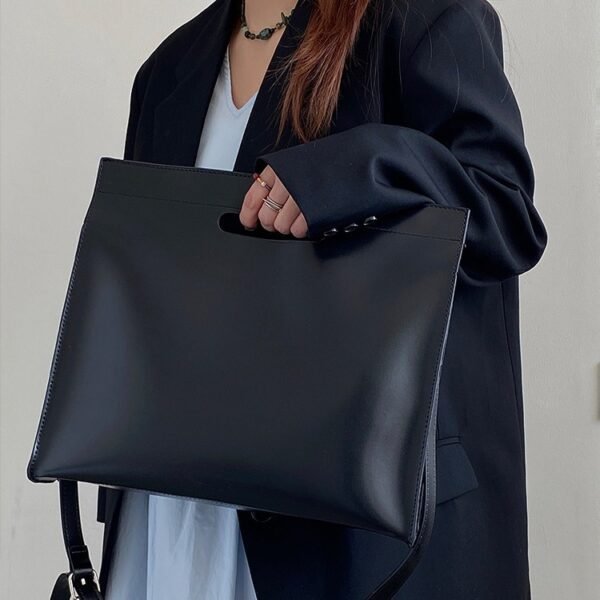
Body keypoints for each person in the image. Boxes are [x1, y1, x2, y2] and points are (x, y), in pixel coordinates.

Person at [97, 0, 548, 598]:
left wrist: (349, 172)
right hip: (169, 509)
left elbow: (504, 213)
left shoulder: (424, 17)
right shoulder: (169, 68)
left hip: (354, 528)